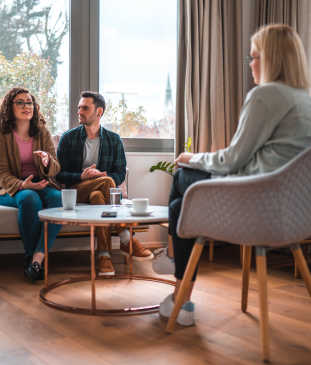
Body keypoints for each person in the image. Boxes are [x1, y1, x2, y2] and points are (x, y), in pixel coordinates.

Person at [157, 24, 311, 326]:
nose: (250, 63)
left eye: (253, 56)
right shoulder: (305, 100)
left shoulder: (265, 96)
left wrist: (193, 157)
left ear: (271, 59)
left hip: (255, 206)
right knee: (179, 207)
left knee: (182, 175)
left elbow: (232, 159)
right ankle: (180, 293)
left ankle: (176, 266)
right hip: (295, 215)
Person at [56, 91, 153, 276]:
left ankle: (104, 255)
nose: (80, 111)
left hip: (99, 193)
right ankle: (126, 238)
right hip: (77, 190)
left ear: (99, 111)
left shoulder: (113, 139)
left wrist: (100, 179)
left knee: (99, 195)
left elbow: (120, 173)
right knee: (106, 181)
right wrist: (83, 177)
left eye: (85, 108)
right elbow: (60, 175)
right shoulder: (68, 138)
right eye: (79, 107)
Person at [0, 87, 62, 282]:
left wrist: (47, 161)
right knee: (29, 198)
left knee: (59, 200)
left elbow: (56, 168)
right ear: (10, 108)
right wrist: (22, 185)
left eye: (29, 102)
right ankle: (30, 260)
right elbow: (2, 172)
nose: (26, 106)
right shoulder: (2, 134)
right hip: (13, 187)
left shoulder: (42, 132)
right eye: (20, 102)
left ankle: (38, 257)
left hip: (41, 183)